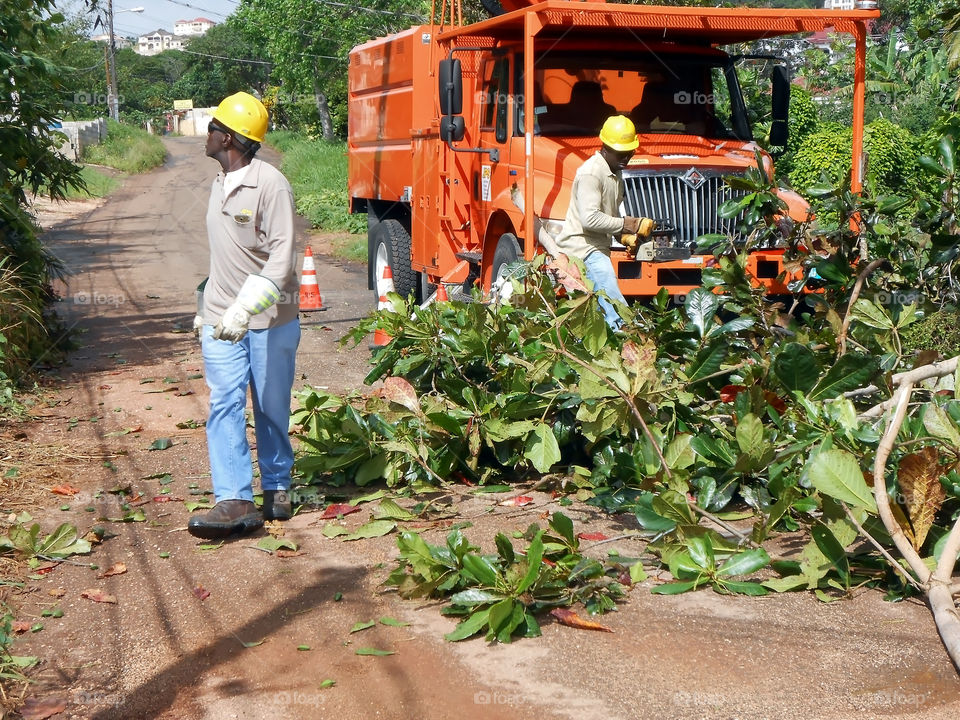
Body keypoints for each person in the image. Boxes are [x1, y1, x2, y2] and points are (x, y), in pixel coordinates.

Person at [187, 92, 301, 539]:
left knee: (271, 407)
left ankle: (276, 484)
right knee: (224, 403)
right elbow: (225, 257)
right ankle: (233, 497)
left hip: (269, 318)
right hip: (220, 319)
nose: (208, 132)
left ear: (230, 138)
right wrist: (208, 306)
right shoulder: (219, 180)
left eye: (214, 126)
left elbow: (281, 260)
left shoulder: (270, 184)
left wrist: (244, 308)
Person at [554, 115, 654, 329]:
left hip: (597, 247)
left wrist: (624, 237)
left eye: (630, 152)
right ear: (606, 147)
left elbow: (609, 214)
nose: (626, 157)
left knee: (593, 314)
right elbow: (590, 219)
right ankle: (626, 343)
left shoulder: (614, 171)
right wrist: (631, 225)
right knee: (614, 307)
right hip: (583, 249)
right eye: (621, 152)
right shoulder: (591, 173)